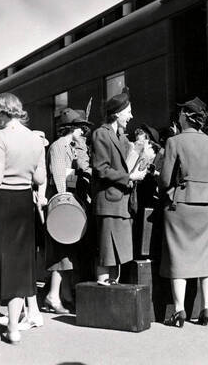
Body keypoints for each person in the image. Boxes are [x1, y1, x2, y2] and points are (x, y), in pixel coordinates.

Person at [0, 92, 45, 347]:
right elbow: (40, 179)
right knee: (19, 264)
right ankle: (13, 329)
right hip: (23, 204)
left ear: (1, 111)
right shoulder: (35, 139)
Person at [159, 97, 208, 328]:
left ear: (185, 116)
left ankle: (179, 310)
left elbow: (165, 180)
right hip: (205, 206)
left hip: (180, 205)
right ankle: (205, 308)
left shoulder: (175, 142)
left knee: (179, 255)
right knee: (206, 257)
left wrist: (168, 188)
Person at [91, 91, 146, 286]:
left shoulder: (122, 138)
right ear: (117, 113)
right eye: (128, 112)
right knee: (106, 253)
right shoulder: (101, 134)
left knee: (118, 255)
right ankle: (102, 289)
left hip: (122, 203)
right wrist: (129, 176)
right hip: (109, 203)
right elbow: (101, 169)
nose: (131, 116)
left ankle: (112, 291)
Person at [44, 108, 92, 314]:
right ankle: (53, 296)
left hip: (67, 204)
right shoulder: (58, 147)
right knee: (61, 251)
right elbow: (59, 178)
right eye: (80, 128)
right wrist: (66, 201)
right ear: (71, 128)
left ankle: (64, 295)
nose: (83, 131)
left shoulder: (68, 147)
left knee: (67, 251)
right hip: (61, 206)